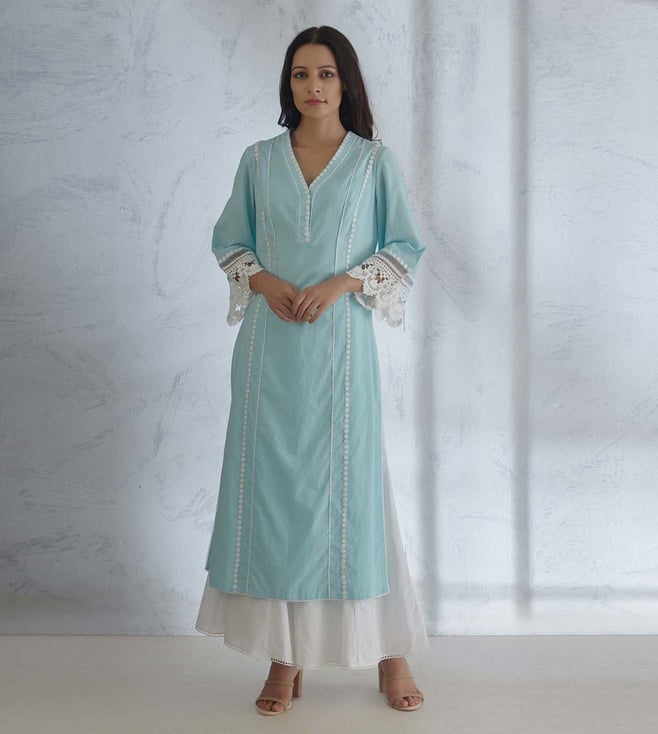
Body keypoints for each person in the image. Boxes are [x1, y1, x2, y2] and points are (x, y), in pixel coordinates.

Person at [195, 25, 429, 715]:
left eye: (325, 73)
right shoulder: (258, 160)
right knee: (277, 501)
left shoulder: (372, 162)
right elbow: (230, 240)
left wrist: (341, 284)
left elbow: (404, 246)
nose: (313, 86)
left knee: (355, 497)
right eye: (301, 74)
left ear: (345, 81)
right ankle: (284, 658)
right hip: (269, 354)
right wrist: (266, 282)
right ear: (288, 83)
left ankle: (390, 653)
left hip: (341, 352)